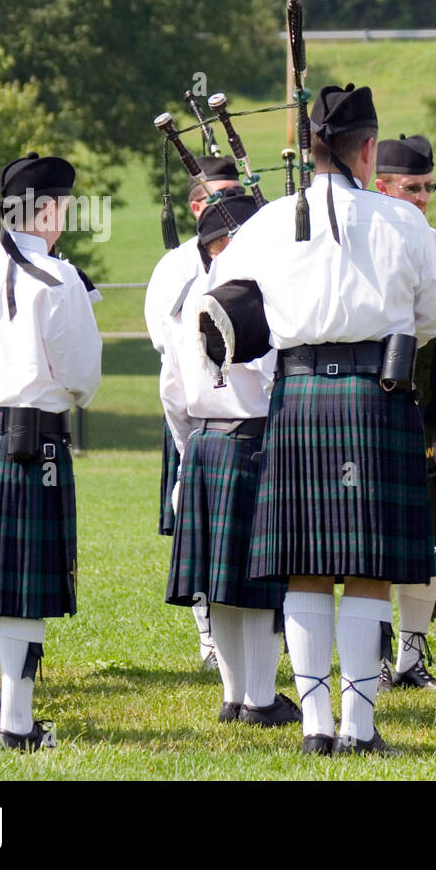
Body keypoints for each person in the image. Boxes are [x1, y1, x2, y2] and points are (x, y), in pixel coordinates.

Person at [205, 84, 436, 755]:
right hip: (378, 394)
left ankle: (316, 730)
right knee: (369, 566)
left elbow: (218, 302)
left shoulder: (266, 222)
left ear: (311, 149)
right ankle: (360, 731)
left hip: (301, 394)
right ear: (367, 148)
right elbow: (434, 316)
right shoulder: (405, 223)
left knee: (307, 564)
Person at [0, 152, 102, 751]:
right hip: (39, 443)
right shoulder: (59, 280)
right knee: (25, 588)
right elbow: (83, 378)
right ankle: (19, 724)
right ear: (51, 209)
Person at [159, 194, 300, 726]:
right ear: (231, 242)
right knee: (259, 576)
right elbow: (272, 377)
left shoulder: (188, 297)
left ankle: (234, 696)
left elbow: (171, 393)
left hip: (204, 443)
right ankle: (260, 700)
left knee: (220, 580)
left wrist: (186, 449)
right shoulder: (254, 299)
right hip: (255, 437)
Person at [143, 155, 244, 672]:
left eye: (235, 191)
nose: (228, 202)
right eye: (218, 193)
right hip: (195, 407)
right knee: (198, 527)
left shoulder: (258, 255)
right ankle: (209, 637)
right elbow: (171, 345)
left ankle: (260, 631)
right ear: (197, 203)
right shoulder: (175, 267)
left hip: (247, 415)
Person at [373, 133, 436, 693]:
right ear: (382, 186)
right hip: (373, 401)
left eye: (429, 187)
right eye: (412, 187)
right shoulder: (367, 235)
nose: (423, 197)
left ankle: (411, 657)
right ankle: (373, 658)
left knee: (424, 536)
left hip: (429, 409)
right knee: (372, 539)